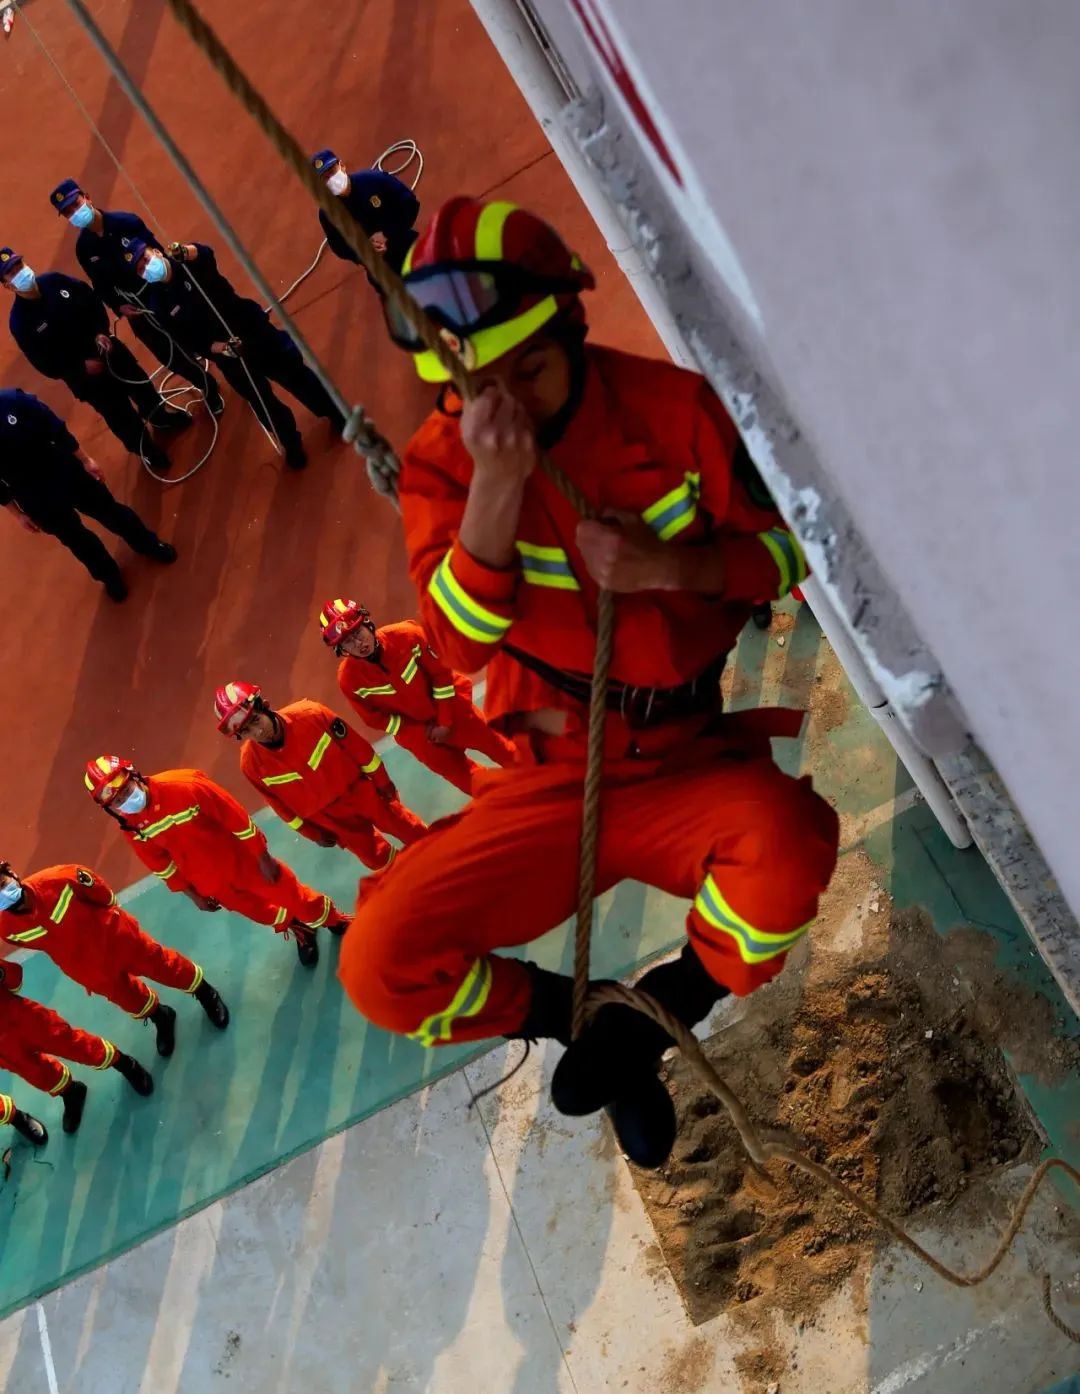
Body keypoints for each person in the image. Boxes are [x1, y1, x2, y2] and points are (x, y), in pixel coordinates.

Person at [337, 197, 839, 1169]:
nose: (511, 404)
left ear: (571, 328)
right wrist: (493, 486)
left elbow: (788, 550)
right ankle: (579, 1018)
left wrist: (673, 569)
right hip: (556, 766)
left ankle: (649, 1023)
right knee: (380, 962)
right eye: (484, 386)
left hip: (682, 753)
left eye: (530, 369)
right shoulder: (448, 466)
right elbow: (459, 644)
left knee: (785, 850)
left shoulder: (674, 413)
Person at [84, 755, 349, 969]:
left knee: (295, 897)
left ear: (135, 775)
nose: (126, 801)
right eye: (117, 801)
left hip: (247, 864)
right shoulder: (131, 827)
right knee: (261, 912)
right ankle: (299, 928)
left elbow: (236, 818)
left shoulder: (186, 786)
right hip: (212, 883)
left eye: (125, 790)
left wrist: (262, 856)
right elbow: (160, 864)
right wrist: (193, 894)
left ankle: (335, 921)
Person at [125, 239, 345, 470]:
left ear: (158, 252)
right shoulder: (159, 304)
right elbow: (188, 340)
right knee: (262, 402)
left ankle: (334, 411)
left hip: (252, 330)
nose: (146, 268)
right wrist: (219, 348)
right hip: (228, 356)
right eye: (140, 269)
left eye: (147, 259)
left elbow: (205, 254)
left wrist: (185, 251)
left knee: (295, 374)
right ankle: (291, 441)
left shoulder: (187, 263)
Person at [0, 860, 229, 1059]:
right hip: (87, 968)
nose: (2, 895)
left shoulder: (61, 878)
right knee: (129, 999)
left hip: (118, 940)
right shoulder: (5, 928)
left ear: (12, 874)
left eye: (1, 885)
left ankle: (205, 992)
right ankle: (161, 1016)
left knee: (165, 967)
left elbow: (104, 895)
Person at [1, 246, 188, 474]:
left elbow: (91, 300)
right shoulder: (20, 323)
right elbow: (44, 363)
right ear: (7, 285)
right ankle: (146, 449)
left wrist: (101, 331)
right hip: (86, 378)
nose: (20, 272)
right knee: (119, 414)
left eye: (19, 265)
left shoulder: (56, 281)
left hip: (109, 350)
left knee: (141, 386)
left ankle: (159, 417)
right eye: (12, 272)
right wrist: (80, 368)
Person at [49, 178, 225, 415]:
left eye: (75, 204)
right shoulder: (84, 248)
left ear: (87, 197)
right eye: (68, 211)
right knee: (168, 355)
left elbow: (158, 253)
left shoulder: (126, 222)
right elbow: (100, 285)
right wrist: (119, 307)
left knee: (196, 336)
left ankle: (233, 367)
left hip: (160, 294)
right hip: (135, 308)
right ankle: (207, 385)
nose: (74, 212)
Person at [214, 681, 427, 871]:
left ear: (265, 705)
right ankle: (409, 877)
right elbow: (280, 806)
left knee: (408, 828)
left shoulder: (311, 715)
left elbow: (359, 749)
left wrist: (383, 781)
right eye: (248, 730)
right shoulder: (251, 765)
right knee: (375, 858)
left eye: (256, 720)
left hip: (362, 791)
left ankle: (443, 854)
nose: (258, 732)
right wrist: (312, 833)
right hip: (330, 818)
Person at [318, 599, 517, 795]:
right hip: (421, 737)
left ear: (367, 624)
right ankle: (506, 801)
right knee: (466, 779)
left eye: (357, 632)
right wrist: (419, 735)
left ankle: (539, 782)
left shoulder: (408, 636)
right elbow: (374, 718)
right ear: (340, 650)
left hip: (453, 709)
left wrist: (445, 722)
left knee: (501, 748)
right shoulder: (349, 680)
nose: (358, 643)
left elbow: (441, 674)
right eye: (348, 642)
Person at [0, 386, 176, 601]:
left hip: (62, 468)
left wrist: (85, 460)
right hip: (32, 495)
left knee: (109, 510)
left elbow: (55, 427)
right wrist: (17, 514)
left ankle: (148, 544)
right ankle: (108, 575)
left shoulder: (12, 400)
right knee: (75, 539)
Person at [0, 957, 153, 1133]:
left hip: (22, 1020)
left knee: (74, 1045)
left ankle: (125, 1064)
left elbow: (15, 980)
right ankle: (71, 1092)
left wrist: (2, 972)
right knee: (38, 1074)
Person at [310, 148, 420, 274]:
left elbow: (409, 203)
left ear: (342, 165)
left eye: (332, 172)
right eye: (324, 179)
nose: (330, 180)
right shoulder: (327, 214)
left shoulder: (375, 180)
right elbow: (338, 246)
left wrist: (388, 234)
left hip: (406, 245)